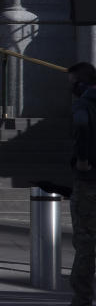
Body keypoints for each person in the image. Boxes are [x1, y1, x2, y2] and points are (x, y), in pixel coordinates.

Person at [70, 61, 96, 306]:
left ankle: (83, 297)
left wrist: (83, 159)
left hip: (90, 180)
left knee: (86, 240)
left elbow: (81, 126)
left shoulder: (84, 103)